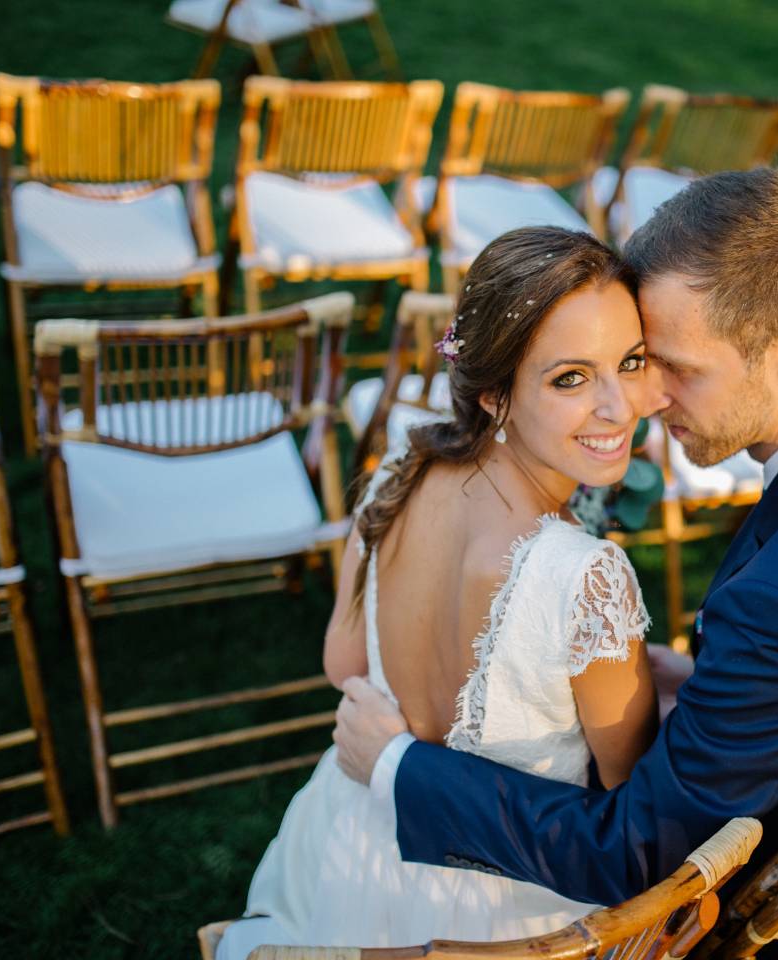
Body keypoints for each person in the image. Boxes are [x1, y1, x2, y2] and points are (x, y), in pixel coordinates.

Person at [333, 168, 778, 960]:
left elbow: (639, 852)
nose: (647, 398)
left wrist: (398, 767)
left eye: (676, 367)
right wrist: (717, 689)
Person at [216, 227, 663, 959]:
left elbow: (343, 664)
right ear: (494, 393)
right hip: (511, 911)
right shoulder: (588, 578)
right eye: (571, 379)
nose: (619, 408)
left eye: (630, 362)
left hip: (358, 842)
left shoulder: (403, 461)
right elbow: (632, 796)